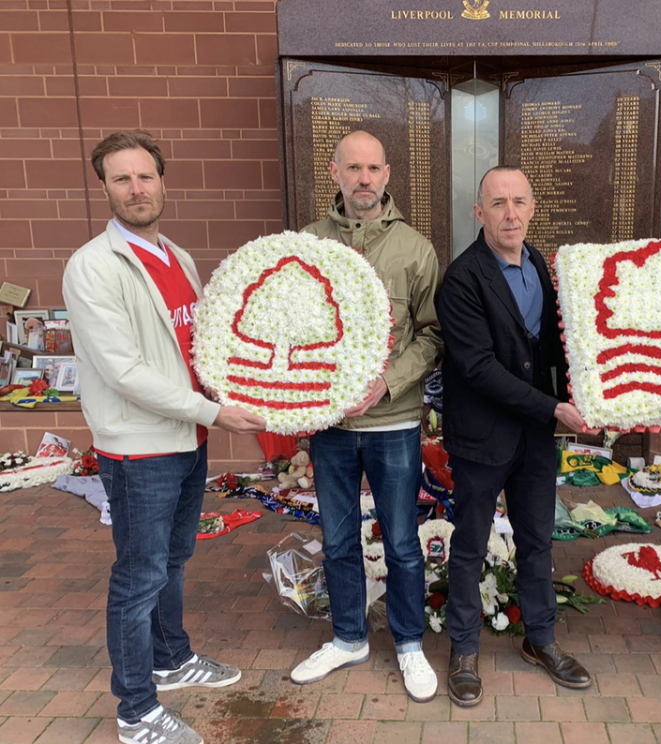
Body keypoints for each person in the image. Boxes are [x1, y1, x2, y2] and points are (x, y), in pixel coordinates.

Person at [62, 130, 266, 744]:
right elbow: (124, 371)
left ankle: (171, 659)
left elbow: (198, 349)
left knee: (174, 560)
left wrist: (238, 392)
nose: (136, 189)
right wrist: (213, 412)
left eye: (145, 176)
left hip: (185, 439)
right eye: (122, 179)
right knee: (139, 575)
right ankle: (136, 711)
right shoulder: (92, 267)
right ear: (104, 187)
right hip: (140, 447)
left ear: (162, 181)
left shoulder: (178, 256)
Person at [290, 131, 443, 703]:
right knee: (336, 539)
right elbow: (294, 330)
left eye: (373, 168)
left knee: (402, 541)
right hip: (330, 428)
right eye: (353, 167)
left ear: (386, 175)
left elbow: (433, 334)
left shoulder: (415, 249)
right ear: (334, 172)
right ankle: (349, 636)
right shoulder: (306, 242)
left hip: (394, 424)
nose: (363, 178)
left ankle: (408, 642)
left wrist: (387, 382)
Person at [436, 165, 593, 707]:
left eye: (519, 202)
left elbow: (553, 349)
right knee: (470, 545)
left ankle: (541, 640)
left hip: (535, 438)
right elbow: (478, 368)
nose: (510, 213)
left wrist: (590, 394)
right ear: (479, 213)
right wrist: (554, 408)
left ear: (531, 209)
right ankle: (463, 650)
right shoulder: (461, 278)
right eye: (498, 203)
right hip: (482, 438)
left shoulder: (541, 269)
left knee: (537, 541)